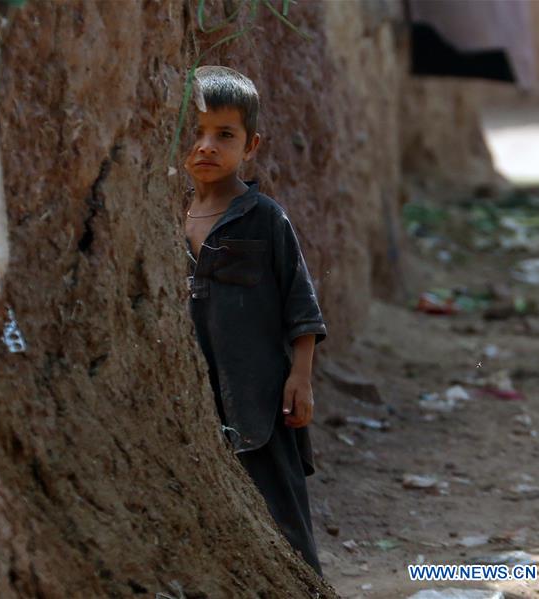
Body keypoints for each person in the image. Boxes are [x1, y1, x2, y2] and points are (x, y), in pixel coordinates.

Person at [182, 65, 328, 576]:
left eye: (224, 135)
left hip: (261, 398)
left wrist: (300, 379)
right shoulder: (165, 213)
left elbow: (300, 303)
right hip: (195, 397)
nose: (206, 146)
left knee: (283, 519)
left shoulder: (264, 216)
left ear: (251, 145)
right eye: (195, 132)